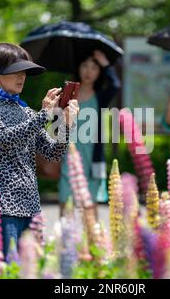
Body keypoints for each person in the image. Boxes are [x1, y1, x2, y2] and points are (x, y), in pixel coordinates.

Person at [0, 43, 79, 256]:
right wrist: (43, 115)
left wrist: (64, 125)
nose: (21, 77)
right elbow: (4, 138)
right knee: (7, 269)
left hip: (31, 205)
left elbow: (52, 153)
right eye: (15, 71)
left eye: (24, 72)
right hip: (1, 205)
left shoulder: (27, 111)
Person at [58, 50, 121, 217]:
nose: (88, 71)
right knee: (66, 203)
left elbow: (115, 85)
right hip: (68, 156)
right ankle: (64, 241)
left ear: (99, 72)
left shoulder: (100, 97)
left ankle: (93, 243)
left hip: (92, 157)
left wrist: (106, 64)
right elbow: (56, 125)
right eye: (85, 66)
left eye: (94, 67)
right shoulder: (67, 95)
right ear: (78, 68)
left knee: (90, 208)